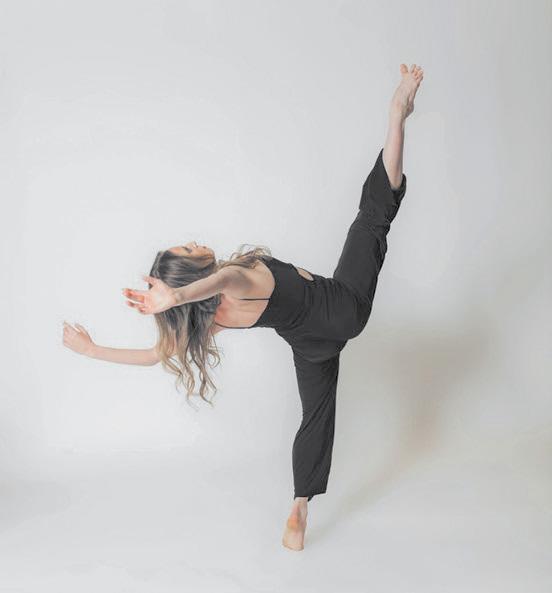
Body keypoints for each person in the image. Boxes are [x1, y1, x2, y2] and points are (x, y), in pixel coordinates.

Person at [63, 63, 424, 551]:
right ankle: (396, 113)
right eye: (187, 249)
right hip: (343, 310)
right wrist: (175, 296)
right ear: (192, 277)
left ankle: (299, 507)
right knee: (373, 216)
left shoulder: (212, 317)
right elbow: (219, 281)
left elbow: (154, 355)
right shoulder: (236, 279)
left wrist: (91, 350)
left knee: (316, 416)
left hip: (310, 345)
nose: (195, 242)